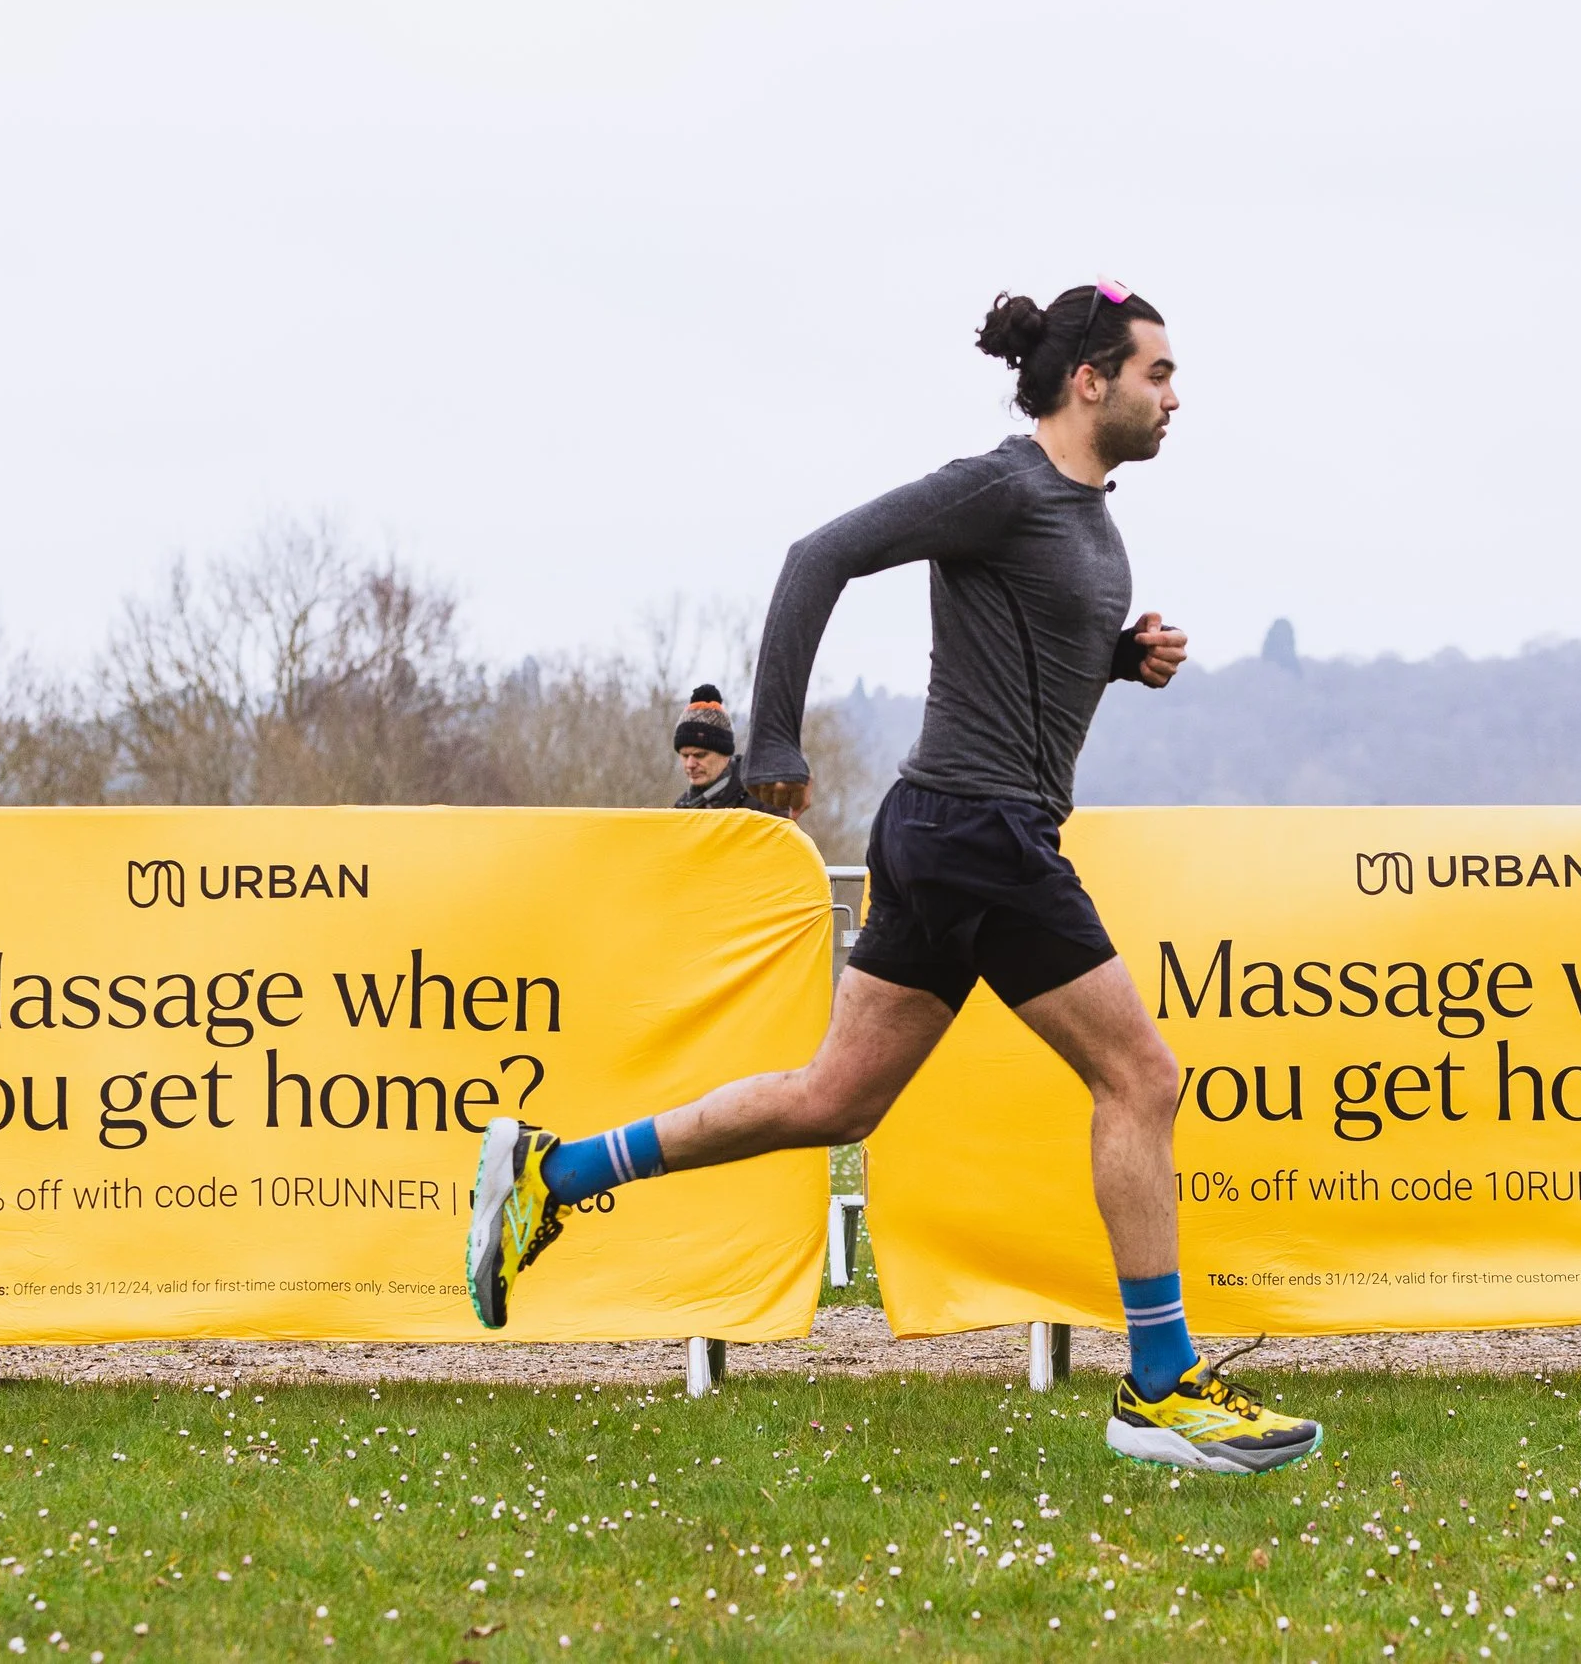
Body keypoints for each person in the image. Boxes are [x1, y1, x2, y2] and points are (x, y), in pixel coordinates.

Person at [468, 281, 1322, 1476]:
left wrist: (1117, 660)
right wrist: (772, 740)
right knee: (1140, 1076)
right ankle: (1161, 1384)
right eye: (1158, 373)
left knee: (835, 1101)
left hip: (950, 829)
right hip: (979, 832)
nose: (1174, 397)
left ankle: (553, 1172)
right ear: (1091, 381)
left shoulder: (1085, 515)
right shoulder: (999, 486)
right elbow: (817, 556)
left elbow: (1021, 654)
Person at [668, 684, 771, 812]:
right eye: (685, 756)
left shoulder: (764, 800)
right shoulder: (681, 808)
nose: (690, 764)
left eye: (700, 755)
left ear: (725, 755)